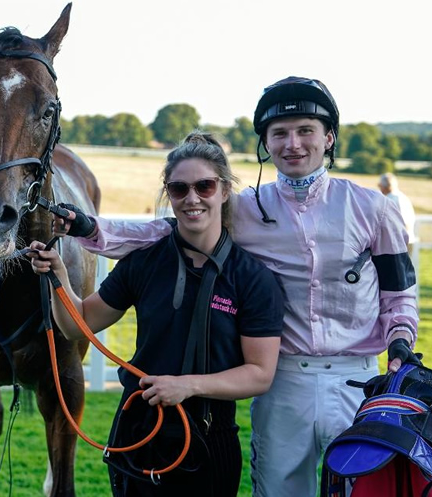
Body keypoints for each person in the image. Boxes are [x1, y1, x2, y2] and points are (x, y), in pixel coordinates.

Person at [57, 77, 419, 497]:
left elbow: (399, 292)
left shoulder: (374, 209)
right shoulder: (245, 208)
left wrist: (401, 340)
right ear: (266, 143)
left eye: (305, 130)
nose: (293, 144)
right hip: (284, 378)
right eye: (279, 133)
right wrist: (88, 228)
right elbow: (164, 232)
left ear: (329, 138)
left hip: (356, 378)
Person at [30, 133, 283, 496]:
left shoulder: (253, 279)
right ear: (169, 194)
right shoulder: (144, 262)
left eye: (205, 186)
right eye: (179, 189)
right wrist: (58, 274)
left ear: (225, 191)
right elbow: (77, 325)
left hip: (209, 437)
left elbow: (259, 375)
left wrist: (187, 385)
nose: (192, 198)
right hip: (139, 430)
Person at [379, 172, 417, 253]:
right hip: (406, 240)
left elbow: (401, 223)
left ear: (384, 186)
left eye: (380, 185)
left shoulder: (392, 200)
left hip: (398, 243)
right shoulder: (402, 197)